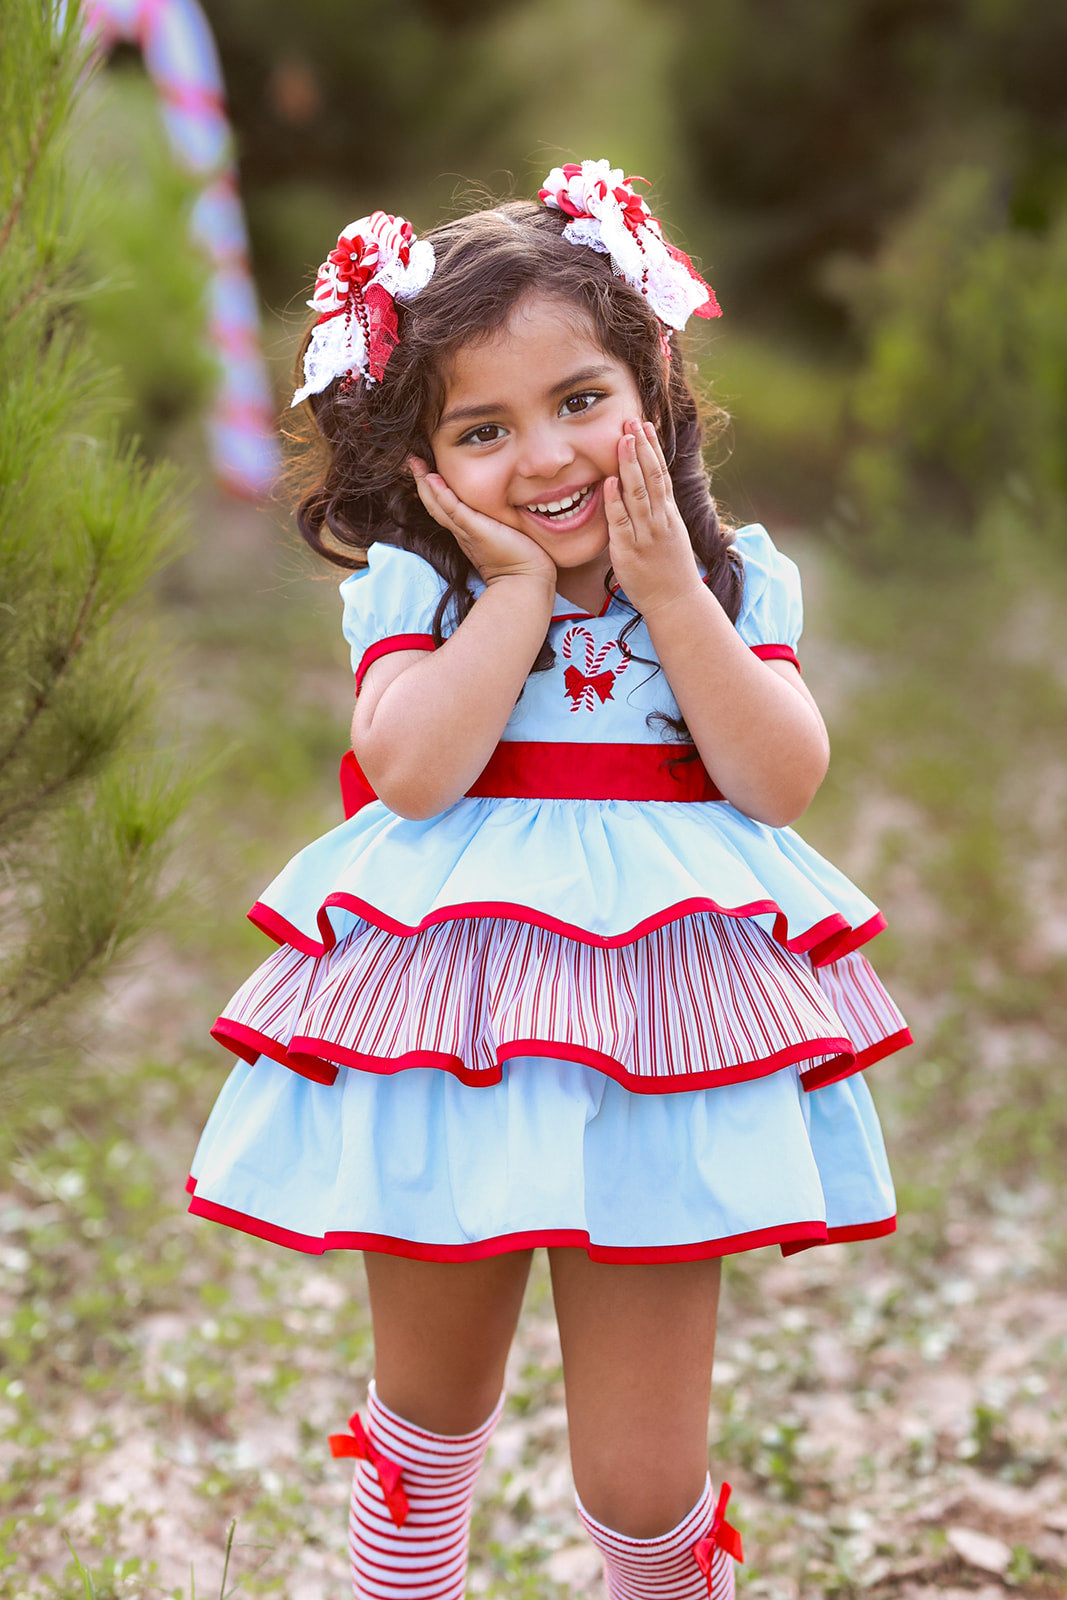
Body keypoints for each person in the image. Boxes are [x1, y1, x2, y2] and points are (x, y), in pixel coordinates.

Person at [188, 160, 911, 1600]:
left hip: (665, 1041)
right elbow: (410, 771)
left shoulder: (722, 577)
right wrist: (516, 597)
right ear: (424, 466)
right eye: (484, 428)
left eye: (581, 400)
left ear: (651, 381)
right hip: (452, 1031)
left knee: (640, 1481)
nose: (546, 456)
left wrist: (668, 593)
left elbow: (779, 780)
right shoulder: (426, 593)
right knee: (430, 1421)